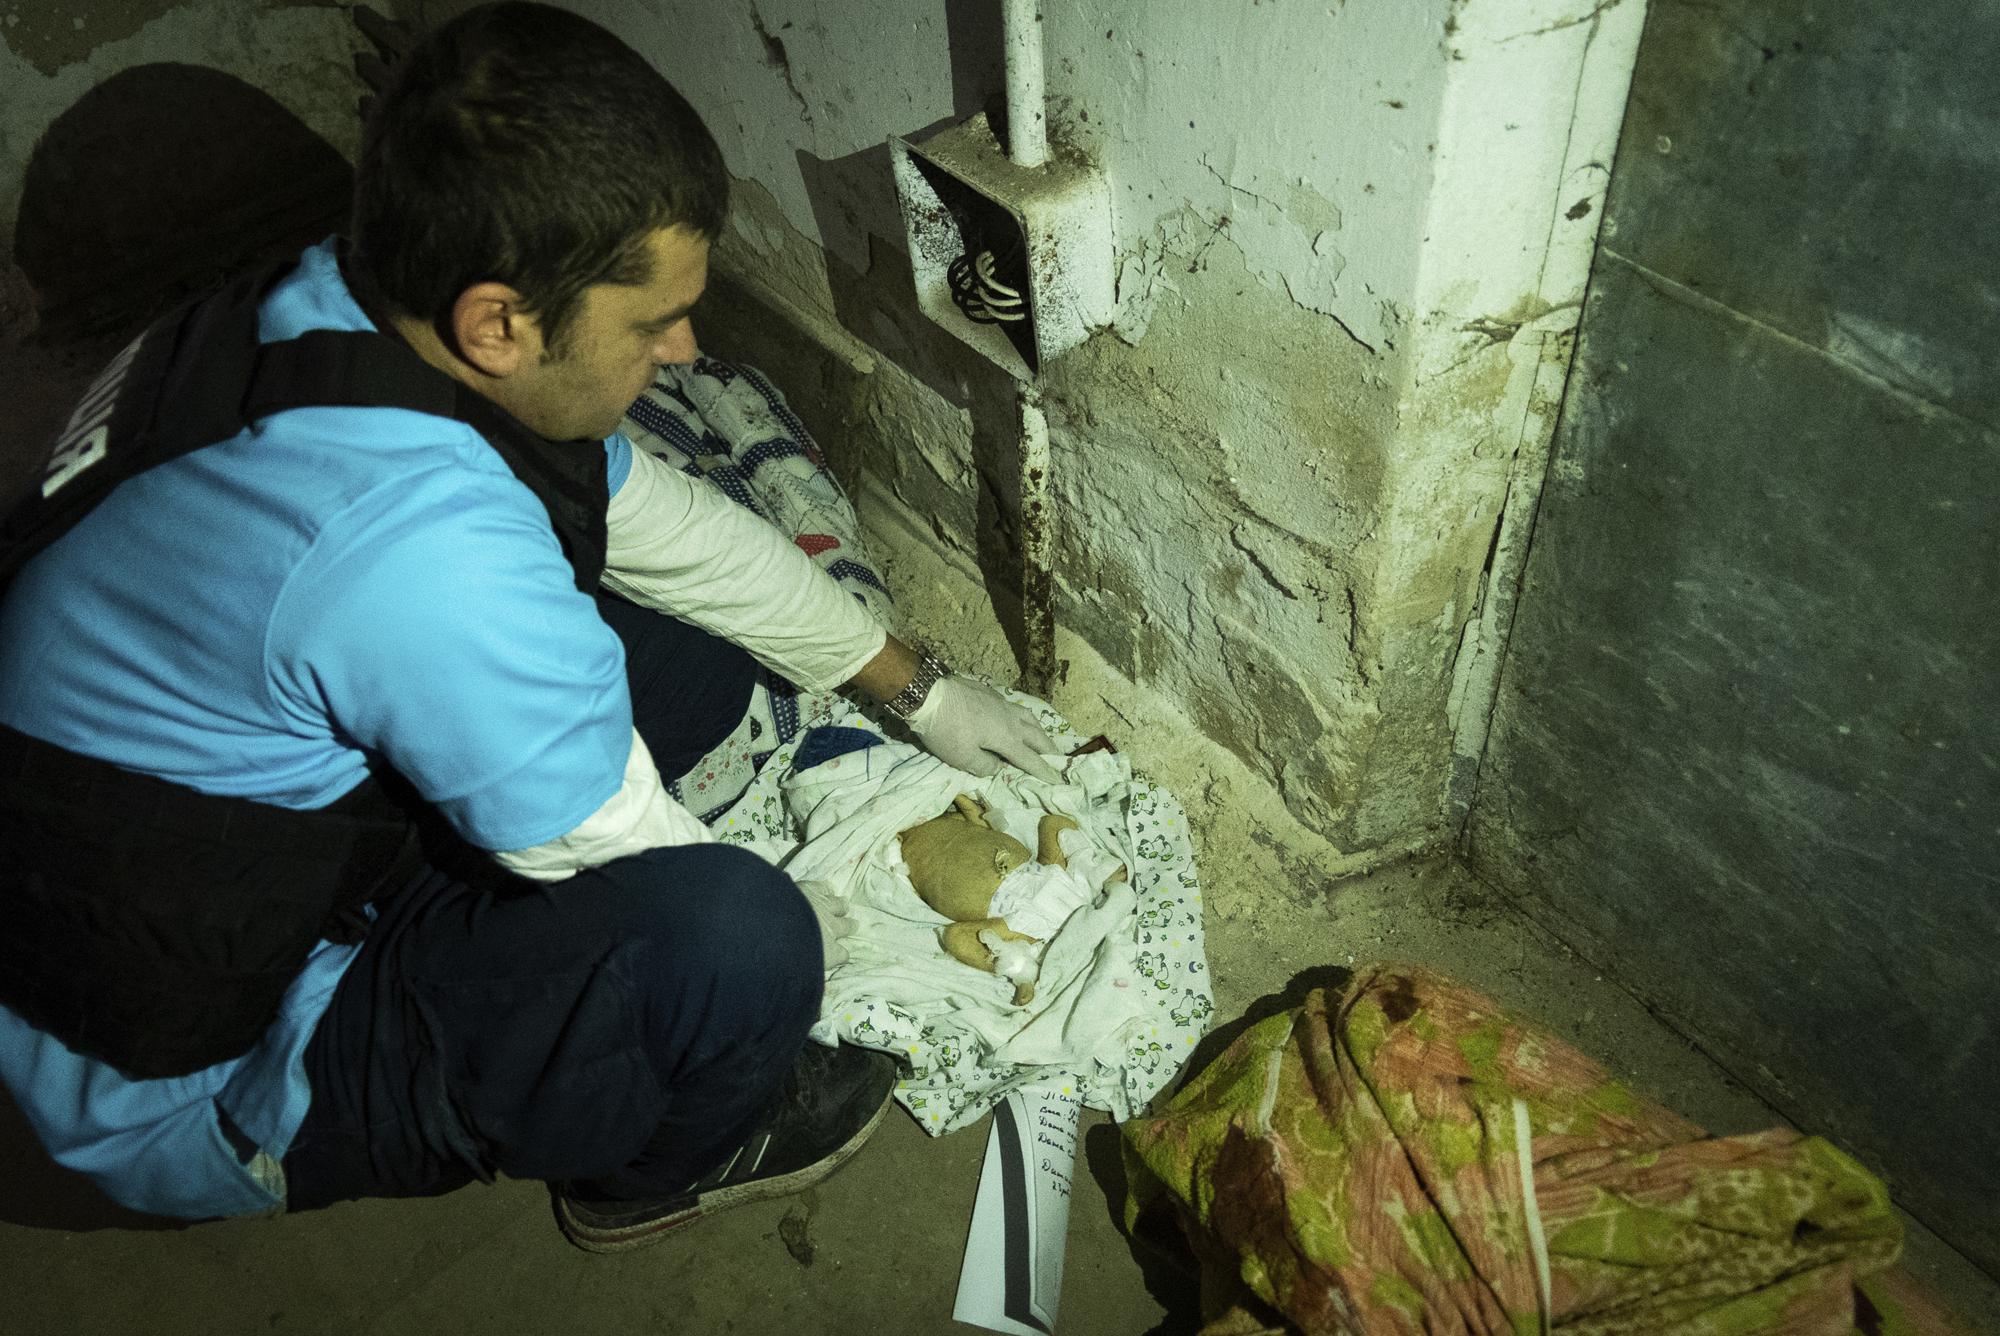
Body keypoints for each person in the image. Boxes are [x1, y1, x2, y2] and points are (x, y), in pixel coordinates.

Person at [0, 1, 1057, 1253]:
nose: (686, 350)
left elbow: (662, 525)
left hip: (163, 830)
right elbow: (630, 851)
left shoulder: (330, 303)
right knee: (738, 948)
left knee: (688, 653)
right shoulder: (417, 547)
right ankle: (652, 1170)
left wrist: (912, 685)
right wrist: (831, 929)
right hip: (172, 1064)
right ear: (498, 323)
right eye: (651, 322)